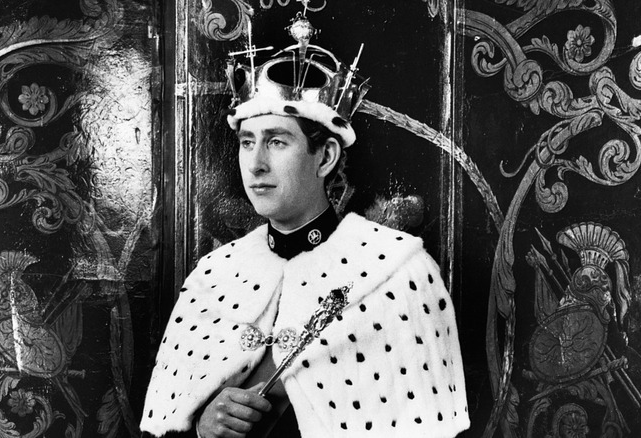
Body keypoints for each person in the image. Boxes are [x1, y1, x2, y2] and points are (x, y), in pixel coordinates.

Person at [141, 15, 469, 438]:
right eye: (247, 142)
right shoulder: (212, 276)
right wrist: (201, 429)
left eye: (277, 141)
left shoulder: (401, 270)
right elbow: (162, 427)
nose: (256, 163)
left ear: (326, 157)